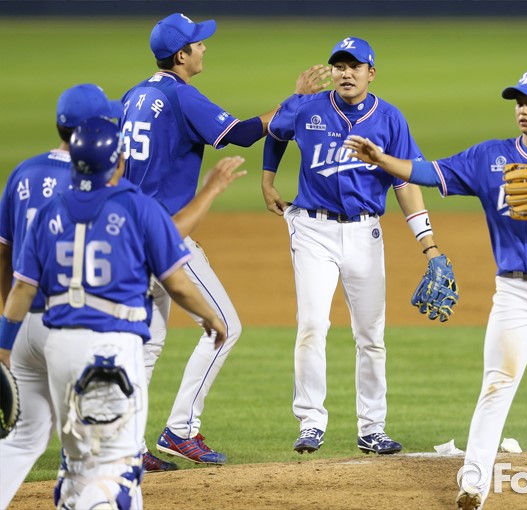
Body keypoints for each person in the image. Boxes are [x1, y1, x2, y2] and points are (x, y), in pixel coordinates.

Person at [344, 70, 527, 508]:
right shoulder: (489, 156)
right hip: (514, 291)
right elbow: (428, 172)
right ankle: (473, 479)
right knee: (497, 382)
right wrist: (382, 160)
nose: (523, 110)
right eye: (518, 102)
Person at [120, 12, 329, 467]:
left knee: (147, 343)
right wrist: (295, 101)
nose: (203, 48)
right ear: (181, 55)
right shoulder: (179, 95)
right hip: (164, 238)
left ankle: (126, 447)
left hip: (128, 236)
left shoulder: (134, 96)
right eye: (197, 43)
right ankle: (181, 430)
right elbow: (242, 134)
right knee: (225, 327)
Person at [0, 117, 227, 509]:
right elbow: (175, 282)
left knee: (77, 463)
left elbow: (22, 288)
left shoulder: (49, 211)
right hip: (109, 351)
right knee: (115, 468)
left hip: (58, 348)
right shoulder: (136, 206)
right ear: (119, 162)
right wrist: (211, 317)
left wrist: (4, 348)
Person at [262, 36, 451, 455]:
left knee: (371, 335)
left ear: (371, 73)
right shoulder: (307, 107)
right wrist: (267, 179)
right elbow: (275, 131)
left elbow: (406, 183)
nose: (346, 73)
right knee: (312, 325)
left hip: (366, 234)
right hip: (313, 232)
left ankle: (372, 428)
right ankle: (311, 422)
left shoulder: (390, 119)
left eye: (355, 66)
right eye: (339, 66)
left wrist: (429, 245)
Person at [0, 84, 122, 509]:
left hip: (22, 324)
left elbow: (4, 254)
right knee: (93, 440)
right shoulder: (93, 181)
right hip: (68, 327)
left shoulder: (22, 173)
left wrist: (8, 322)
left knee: (24, 439)